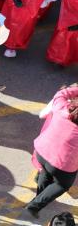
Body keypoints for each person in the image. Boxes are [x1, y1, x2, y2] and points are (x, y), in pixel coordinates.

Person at [25, 85, 78, 218]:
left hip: (42, 151)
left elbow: (61, 94)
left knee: (45, 172)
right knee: (62, 185)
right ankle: (34, 205)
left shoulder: (61, 108)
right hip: (62, 164)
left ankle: (39, 196)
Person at [41, 0, 78, 67]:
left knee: (59, 42)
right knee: (72, 45)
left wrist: (44, 2)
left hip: (64, 23)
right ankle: (66, 59)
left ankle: (56, 58)